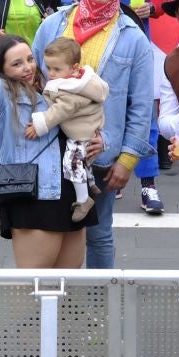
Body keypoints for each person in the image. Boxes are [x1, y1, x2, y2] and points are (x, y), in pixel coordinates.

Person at [30, 0, 156, 268]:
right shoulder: (53, 25)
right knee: (49, 230)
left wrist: (126, 159)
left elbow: (141, 104)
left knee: (99, 234)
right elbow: (32, 81)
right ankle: (56, 301)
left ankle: (101, 305)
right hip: (48, 148)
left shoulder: (133, 38)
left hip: (99, 153)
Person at [0, 16, 94, 268]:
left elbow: (88, 119)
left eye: (29, 59)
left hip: (72, 191)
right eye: (16, 63)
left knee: (69, 283)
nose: (27, 67)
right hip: (35, 196)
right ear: (1, 69)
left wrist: (100, 142)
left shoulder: (54, 88)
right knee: (35, 284)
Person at [23, 37, 108, 221]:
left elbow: (60, 110)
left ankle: (84, 200)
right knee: (84, 162)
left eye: (57, 69)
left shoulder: (70, 89)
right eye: (48, 68)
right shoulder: (79, 81)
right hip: (88, 130)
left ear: (74, 67)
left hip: (80, 134)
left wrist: (40, 125)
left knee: (72, 164)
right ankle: (90, 183)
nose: (51, 74)